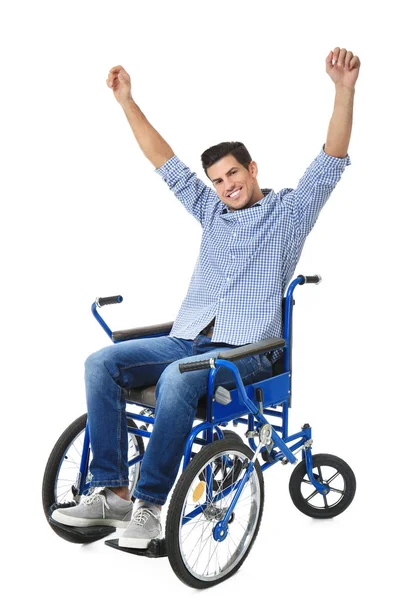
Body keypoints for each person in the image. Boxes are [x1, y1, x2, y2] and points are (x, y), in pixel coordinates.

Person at [52, 47, 360, 549]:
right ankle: (112, 491)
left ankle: (150, 508)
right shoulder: (211, 212)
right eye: (217, 180)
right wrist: (127, 100)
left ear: (252, 168)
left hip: (249, 352)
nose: (225, 187)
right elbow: (163, 161)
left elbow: (330, 159)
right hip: (187, 339)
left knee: (178, 379)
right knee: (99, 362)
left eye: (233, 175)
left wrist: (344, 90)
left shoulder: (290, 213)